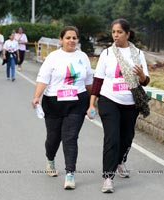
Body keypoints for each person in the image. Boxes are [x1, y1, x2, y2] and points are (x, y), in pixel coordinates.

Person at [86, 18, 150, 193]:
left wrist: (142, 75)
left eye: (119, 32)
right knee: (112, 138)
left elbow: (145, 82)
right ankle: (108, 177)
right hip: (109, 100)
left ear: (127, 34)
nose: (116, 35)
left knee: (127, 137)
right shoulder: (107, 53)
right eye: (113, 32)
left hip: (131, 102)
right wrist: (92, 104)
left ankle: (120, 160)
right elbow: (98, 80)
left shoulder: (138, 54)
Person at [31, 26, 93, 190]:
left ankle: (70, 173)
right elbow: (43, 78)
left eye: (74, 38)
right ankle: (50, 158)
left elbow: (88, 82)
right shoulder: (53, 57)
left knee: (70, 137)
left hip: (77, 102)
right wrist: (37, 96)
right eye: (68, 38)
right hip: (54, 103)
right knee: (53, 138)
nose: (71, 40)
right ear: (61, 40)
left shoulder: (83, 57)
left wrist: (93, 102)